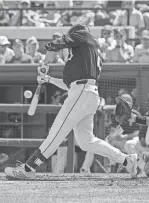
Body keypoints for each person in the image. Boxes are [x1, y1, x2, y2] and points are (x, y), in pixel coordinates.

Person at [4, 24, 139, 179]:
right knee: (86, 141)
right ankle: (126, 160)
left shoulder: (83, 35)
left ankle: (28, 169)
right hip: (87, 93)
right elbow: (70, 84)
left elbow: (54, 44)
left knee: (55, 133)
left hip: (82, 94)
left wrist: (45, 63)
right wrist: (47, 78)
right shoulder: (86, 54)